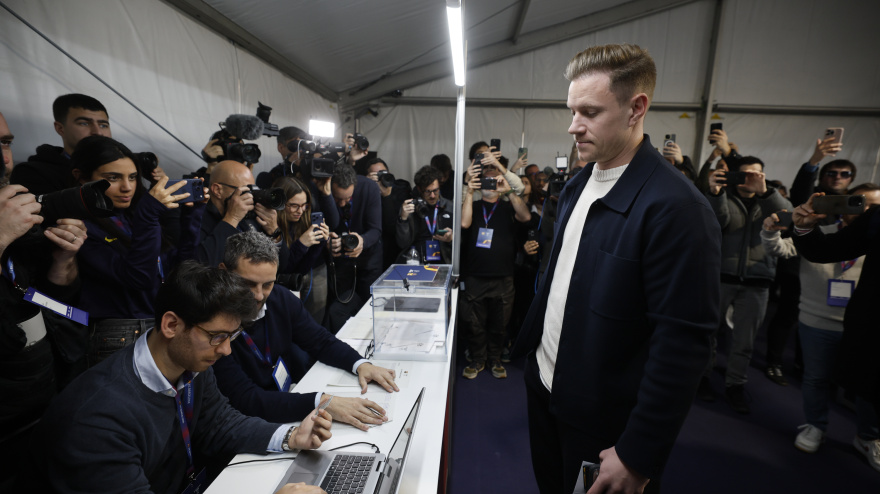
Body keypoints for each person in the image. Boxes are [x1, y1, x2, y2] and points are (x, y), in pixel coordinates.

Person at [511, 44, 721, 494]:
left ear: (636, 108)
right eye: (571, 111)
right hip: (546, 387)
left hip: (604, 420)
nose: (573, 127)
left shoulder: (677, 209)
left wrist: (639, 453)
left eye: (589, 112)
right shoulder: (577, 184)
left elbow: (683, 344)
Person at [27, 261, 333, 493]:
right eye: (217, 336)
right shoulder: (96, 421)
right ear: (171, 325)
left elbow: (219, 423)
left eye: (233, 336)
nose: (226, 350)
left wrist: (292, 437)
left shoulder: (190, 365)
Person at [213, 232, 399, 430]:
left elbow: (319, 340)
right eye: (248, 284)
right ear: (224, 272)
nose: (259, 296)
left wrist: (360, 363)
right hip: (246, 425)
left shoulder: (280, 298)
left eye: (267, 284)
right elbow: (246, 399)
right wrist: (321, 402)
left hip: (284, 404)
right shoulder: (213, 324)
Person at [0, 111, 89, 489]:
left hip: (44, 411)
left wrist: (63, 260)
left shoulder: (12, 212)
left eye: (5, 143)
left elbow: (49, 297)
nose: (3, 158)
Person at [760, 184, 880, 462]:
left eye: (874, 206)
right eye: (863, 203)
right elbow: (784, 248)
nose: (868, 210)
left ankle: (869, 436)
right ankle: (816, 426)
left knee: (867, 387)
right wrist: (771, 230)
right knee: (816, 379)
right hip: (819, 321)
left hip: (862, 328)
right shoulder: (827, 235)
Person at [71, 135, 205, 366]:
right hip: (120, 332)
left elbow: (181, 272)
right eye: (112, 178)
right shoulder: (78, 226)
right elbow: (139, 277)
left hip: (159, 324)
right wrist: (148, 213)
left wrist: (192, 218)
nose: (127, 187)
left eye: (133, 177)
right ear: (81, 178)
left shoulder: (132, 217)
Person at [792, 191, 880, 472]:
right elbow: (824, 249)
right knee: (827, 378)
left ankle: (869, 436)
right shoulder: (876, 219)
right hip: (858, 326)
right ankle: (818, 426)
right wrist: (804, 226)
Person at [701, 154, 790, 413]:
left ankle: (735, 384)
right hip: (720, 277)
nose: (749, 178)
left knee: (745, 340)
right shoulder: (724, 197)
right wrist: (715, 193)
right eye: (744, 173)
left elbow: (787, 220)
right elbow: (716, 226)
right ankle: (703, 378)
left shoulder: (771, 200)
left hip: (758, 280)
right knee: (709, 333)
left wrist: (765, 193)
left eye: (756, 174)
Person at [460, 166, 531, 380]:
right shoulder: (473, 204)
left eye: (494, 180)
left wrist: (508, 190)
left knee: (500, 324)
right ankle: (478, 360)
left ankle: (496, 359)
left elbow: (526, 216)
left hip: (503, 276)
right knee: (475, 323)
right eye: (486, 180)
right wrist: (470, 191)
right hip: (476, 275)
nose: (491, 183)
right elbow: (464, 223)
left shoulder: (508, 207)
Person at [10, 94, 112, 196]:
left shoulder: (123, 168)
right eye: (84, 123)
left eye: (103, 125)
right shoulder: (32, 173)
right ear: (60, 128)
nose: (98, 132)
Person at [273, 176, 331, 325]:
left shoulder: (304, 218)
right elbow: (285, 269)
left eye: (304, 205)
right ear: (280, 203)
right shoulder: (271, 225)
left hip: (305, 276)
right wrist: (301, 244)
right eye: (294, 206)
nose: (300, 211)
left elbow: (303, 268)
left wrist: (319, 243)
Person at [198, 160, 279, 266]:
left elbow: (284, 266)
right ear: (217, 190)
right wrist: (232, 218)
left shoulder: (250, 216)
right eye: (245, 190)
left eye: (252, 189)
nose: (250, 196)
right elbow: (203, 264)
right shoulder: (197, 218)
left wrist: (274, 232)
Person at [327, 162, 382, 305]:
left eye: (347, 198)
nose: (342, 203)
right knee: (339, 309)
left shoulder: (369, 187)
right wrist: (328, 241)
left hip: (369, 260)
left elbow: (375, 230)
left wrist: (362, 241)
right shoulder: (324, 191)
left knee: (368, 306)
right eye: (338, 199)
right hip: (339, 262)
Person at [397, 165, 454, 264]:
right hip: (415, 262)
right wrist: (403, 219)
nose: (432, 196)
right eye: (428, 191)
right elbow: (403, 243)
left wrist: (451, 239)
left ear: (440, 187)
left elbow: (463, 242)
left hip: (443, 262)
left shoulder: (450, 207)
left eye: (435, 190)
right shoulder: (410, 208)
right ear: (419, 189)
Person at [364, 158, 412, 269]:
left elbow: (392, 227)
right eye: (376, 175)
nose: (381, 178)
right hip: (371, 251)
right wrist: (366, 185)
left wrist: (387, 196)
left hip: (393, 251)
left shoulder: (400, 189)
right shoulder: (365, 190)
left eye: (383, 173)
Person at [789, 134, 852, 207]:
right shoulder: (813, 197)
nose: (838, 177)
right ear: (821, 177)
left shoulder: (854, 199)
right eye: (832, 173)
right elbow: (800, 194)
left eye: (845, 174)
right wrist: (814, 161)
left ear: (851, 179)